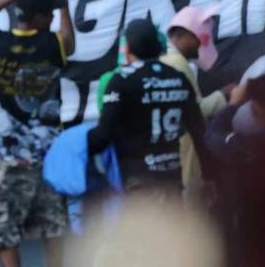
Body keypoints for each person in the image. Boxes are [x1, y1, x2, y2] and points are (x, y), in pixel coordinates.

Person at [0, 0, 74, 267]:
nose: (54, 15)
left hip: (6, 153)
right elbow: (69, 38)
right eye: (50, 13)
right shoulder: (54, 44)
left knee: (3, 226)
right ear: (40, 17)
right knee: (53, 224)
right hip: (48, 153)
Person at [88, 18, 210, 201]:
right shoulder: (178, 78)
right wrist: (209, 175)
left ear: (127, 48)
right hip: (172, 178)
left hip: (139, 182)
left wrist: (76, 145)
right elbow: (198, 130)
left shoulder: (121, 80)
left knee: (147, 230)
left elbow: (104, 134)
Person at [162, 6, 227, 206]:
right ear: (187, 35)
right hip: (184, 150)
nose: (201, 44)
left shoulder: (162, 58)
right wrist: (225, 96)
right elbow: (196, 111)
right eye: (200, 38)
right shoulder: (178, 64)